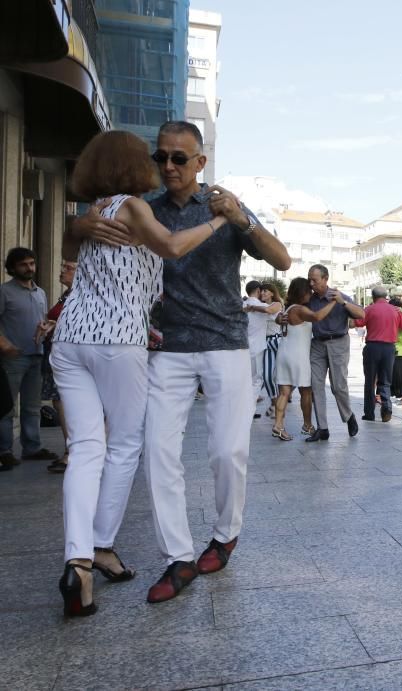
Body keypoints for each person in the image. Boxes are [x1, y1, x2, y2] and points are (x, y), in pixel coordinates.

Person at [71, 120, 290, 603]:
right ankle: (178, 557)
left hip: (225, 343)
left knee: (228, 452)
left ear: (200, 162)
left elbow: (283, 260)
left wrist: (242, 219)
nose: (168, 166)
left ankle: (225, 532)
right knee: (159, 453)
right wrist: (78, 225)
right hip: (166, 348)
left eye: (179, 158)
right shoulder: (141, 209)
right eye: (161, 157)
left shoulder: (221, 204)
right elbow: (81, 245)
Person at [54, 128, 227, 616]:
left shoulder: (93, 213)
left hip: (71, 340)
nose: (161, 165)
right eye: (153, 158)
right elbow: (171, 247)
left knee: (86, 448)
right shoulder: (131, 206)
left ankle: (80, 561)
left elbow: (76, 254)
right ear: (137, 166)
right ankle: (97, 548)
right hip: (115, 341)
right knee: (125, 445)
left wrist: (76, 227)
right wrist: (216, 222)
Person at [0, 247, 61, 469]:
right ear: (13, 268)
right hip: (13, 358)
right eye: (24, 264)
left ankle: (32, 447)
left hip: (37, 355)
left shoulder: (40, 293)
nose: (29, 268)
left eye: (32, 263)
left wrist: (45, 327)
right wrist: (5, 345)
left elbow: (43, 320)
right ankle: (4, 450)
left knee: (32, 406)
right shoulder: (4, 292)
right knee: (7, 407)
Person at [271, 278, 339, 441]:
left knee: (284, 392)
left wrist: (277, 319)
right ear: (302, 292)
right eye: (308, 290)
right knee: (306, 392)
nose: (311, 293)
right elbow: (316, 316)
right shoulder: (300, 310)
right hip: (298, 356)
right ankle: (307, 425)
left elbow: (280, 320)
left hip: (284, 353)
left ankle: (278, 426)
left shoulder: (288, 309)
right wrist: (333, 303)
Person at [304, 265, 364, 441]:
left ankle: (349, 416)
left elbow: (361, 314)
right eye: (310, 279)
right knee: (316, 385)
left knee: (338, 386)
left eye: (315, 280)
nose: (311, 283)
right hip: (317, 344)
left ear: (325, 279)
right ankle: (323, 428)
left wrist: (343, 303)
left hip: (338, 342)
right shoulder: (310, 299)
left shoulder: (339, 296)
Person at [35, 260, 78, 473]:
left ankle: (73, 452)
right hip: (56, 353)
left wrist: (55, 324)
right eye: (62, 266)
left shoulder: (81, 295)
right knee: (61, 402)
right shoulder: (67, 294)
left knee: (67, 403)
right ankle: (72, 449)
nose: (62, 271)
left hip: (69, 357)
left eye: (68, 268)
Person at [356, 286, 402, 422]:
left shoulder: (369, 309)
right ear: (386, 296)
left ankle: (369, 413)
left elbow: (358, 322)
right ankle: (387, 409)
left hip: (372, 347)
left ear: (373, 297)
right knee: (385, 381)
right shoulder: (395, 310)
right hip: (389, 349)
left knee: (370, 381)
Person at [243, 280, 281, 419]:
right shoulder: (262, 305)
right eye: (262, 291)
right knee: (258, 379)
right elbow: (273, 313)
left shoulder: (243, 305)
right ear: (258, 291)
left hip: (242, 347)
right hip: (258, 346)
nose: (263, 293)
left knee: (248, 379)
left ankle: (250, 409)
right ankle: (248, 410)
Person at [258, 283, 284, 417]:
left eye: (265, 291)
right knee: (267, 377)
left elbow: (269, 310)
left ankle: (279, 404)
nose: (262, 293)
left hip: (278, 341)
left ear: (272, 293)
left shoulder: (277, 304)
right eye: (261, 291)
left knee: (281, 377)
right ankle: (274, 403)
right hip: (266, 343)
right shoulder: (259, 305)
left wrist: (251, 306)